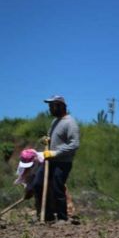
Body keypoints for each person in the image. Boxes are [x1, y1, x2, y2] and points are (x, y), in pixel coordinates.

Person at [31, 95, 80, 223]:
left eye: (52, 106)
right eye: (49, 106)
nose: (50, 109)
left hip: (62, 162)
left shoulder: (70, 123)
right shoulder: (55, 122)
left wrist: (55, 153)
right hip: (49, 161)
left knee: (57, 187)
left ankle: (62, 217)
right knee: (37, 184)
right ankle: (47, 216)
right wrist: (46, 139)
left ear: (61, 106)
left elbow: (74, 144)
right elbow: (53, 138)